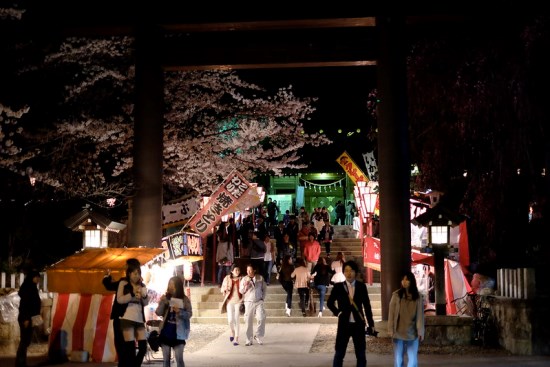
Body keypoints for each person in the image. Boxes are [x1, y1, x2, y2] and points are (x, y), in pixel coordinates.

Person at [327, 260, 376, 367]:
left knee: (360, 354)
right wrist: (338, 313)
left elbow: (367, 307)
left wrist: (371, 324)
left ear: (356, 272)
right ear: (343, 272)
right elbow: (329, 302)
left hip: (358, 325)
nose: (349, 273)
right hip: (344, 325)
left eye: (351, 270)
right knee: (339, 353)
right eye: (346, 271)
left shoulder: (361, 287)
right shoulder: (338, 287)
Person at [102, 258, 141, 367]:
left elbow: (108, 286)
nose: (124, 268)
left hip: (122, 320)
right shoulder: (136, 283)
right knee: (128, 347)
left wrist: (107, 276)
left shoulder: (123, 282)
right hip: (130, 320)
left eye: (126, 266)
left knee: (122, 346)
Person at [388, 271, 425, 367]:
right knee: (398, 358)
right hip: (398, 331)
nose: (404, 281)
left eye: (407, 279)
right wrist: (390, 329)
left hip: (412, 331)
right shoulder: (396, 295)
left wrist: (420, 331)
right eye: (403, 279)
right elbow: (391, 314)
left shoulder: (418, 297)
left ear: (412, 281)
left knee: (412, 359)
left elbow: (420, 315)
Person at [117, 261, 149, 367]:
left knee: (143, 348)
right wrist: (131, 294)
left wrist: (144, 296)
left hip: (139, 319)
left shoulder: (142, 285)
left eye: (138, 273)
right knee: (130, 350)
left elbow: (145, 303)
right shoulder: (123, 283)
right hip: (127, 319)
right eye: (135, 273)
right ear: (129, 273)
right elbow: (119, 300)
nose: (137, 276)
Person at [155, 276, 192, 367]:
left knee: (179, 360)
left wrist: (179, 311)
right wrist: (162, 302)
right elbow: (158, 312)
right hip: (166, 333)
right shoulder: (166, 298)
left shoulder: (184, 299)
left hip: (179, 334)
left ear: (178, 286)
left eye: (173, 285)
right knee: (166, 360)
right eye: (169, 284)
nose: (171, 287)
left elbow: (189, 314)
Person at [16, 269, 42, 367]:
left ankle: (22, 362)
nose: (38, 279)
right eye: (37, 277)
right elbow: (24, 305)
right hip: (26, 318)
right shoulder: (28, 288)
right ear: (32, 277)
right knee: (24, 341)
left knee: (26, 341)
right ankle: (20, 363)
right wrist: (26, 319)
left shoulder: (32, 287)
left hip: (32, 317)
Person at [239, 263, 267, 346]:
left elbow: (264, 289)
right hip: (248, 301)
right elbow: (241, 291)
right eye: (247, 270)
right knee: (248, 320)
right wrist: (245, 287)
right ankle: (249, 339)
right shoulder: (244, 279)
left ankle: (258, 335)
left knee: (261, 317)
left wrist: (262, 298)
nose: (248, 272)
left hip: (259, 301)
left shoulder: (260, 278)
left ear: (254, 270)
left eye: (250, 270)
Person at [220, 264, 243, 346]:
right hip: (229, 301)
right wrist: (224, 290)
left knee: (237, 319)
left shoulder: (242, 279)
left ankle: (236, 338)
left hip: (239, 301)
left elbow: (245, 289)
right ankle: (232, 331)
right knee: (230, 319)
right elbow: (222, 288)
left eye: (238, 270)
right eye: (236, 270)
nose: (237, 272)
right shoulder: (227, 278)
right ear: (232, 271)